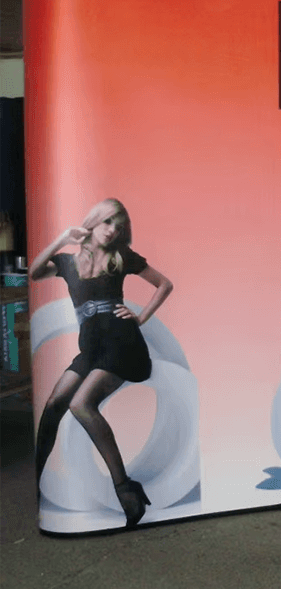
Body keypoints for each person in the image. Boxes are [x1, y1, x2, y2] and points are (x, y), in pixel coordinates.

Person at [29, 199, 173, 528]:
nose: (112, 231)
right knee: (54, 404)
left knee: (80, 404)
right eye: (108, 222)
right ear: (93, 221)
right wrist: (62, 238)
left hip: (122, 344)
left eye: (118, 227)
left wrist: (141, 317)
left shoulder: (122, 257)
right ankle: (39, 483)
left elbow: (165, 284)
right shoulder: (67, 262)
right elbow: (35, 273)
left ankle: (125, 488)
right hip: (91, 349)